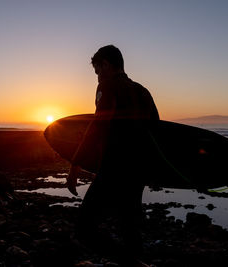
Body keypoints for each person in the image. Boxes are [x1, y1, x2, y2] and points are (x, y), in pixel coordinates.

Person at [67, 45, 159, 267]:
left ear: (106, 65)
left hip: (113, 168)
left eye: (98, 70)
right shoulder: (143, 91)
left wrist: (74, 166)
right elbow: (156, 132)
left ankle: (132, 264)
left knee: (84, 229)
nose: (97, 76)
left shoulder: (107, 86)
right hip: (138, 171)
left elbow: (97, 127)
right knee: (128, 225)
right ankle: (136, 262)